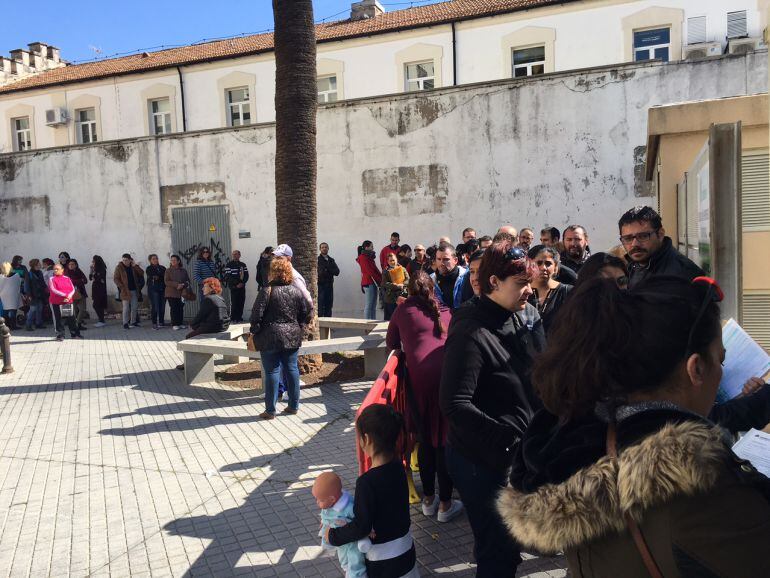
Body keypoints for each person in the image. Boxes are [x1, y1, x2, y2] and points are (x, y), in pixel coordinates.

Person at [499, 276, 770, 577]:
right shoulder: (705, 491)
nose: (722, 371)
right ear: (696, 368)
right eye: (721, 359)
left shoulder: (582, 441)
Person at [440, 242, 545, 578]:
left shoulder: (521, 314)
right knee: (497, 553)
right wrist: (511, 440)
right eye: (521, 283)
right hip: (482, 463)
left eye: (529, 282)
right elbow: (455, 405)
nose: (529, 290)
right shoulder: (470, 329)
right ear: (494, 283)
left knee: (508, 544)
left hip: (515, 456)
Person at [387, 271, 462, 523]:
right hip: (448, 379)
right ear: (434, 289)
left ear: (409, 289)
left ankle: (428, 500)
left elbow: (391, 343)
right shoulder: (446, 311)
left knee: (426, 440)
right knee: (444, 441)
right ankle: (445, 504)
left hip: (419, 381)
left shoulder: (402, 311)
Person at [327, 404, 419, 578]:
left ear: (366, 439)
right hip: (406, 552)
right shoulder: (399, 467)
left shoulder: (367, 482)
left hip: (383, 561)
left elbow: (362, 526)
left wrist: (333, 536)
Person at [249, 258, 311, 420]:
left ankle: (270, 410)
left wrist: (255, 330)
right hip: (291, 336)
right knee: (292, 370)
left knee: (272, 372)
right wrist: (299, 328)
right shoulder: (296, 291)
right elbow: (306, 313)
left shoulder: (266, 290)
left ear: (272, 272)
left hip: (269, 336)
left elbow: (256, 315)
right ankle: (293, 406)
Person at [620, 205, 704, 289]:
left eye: (643, 236)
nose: (634, 244)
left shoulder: (681, 275)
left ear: (660, 235)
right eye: (628, 238)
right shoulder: (633, 265)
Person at [313, 472, 367, 578]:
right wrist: (323, 521)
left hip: (351, 539)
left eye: (321, 500)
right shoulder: (329, 505)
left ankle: (358, 574)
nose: (317, 503)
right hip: (340, 539)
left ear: (332, 499)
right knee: (343, 556)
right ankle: (347, 568)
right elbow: (325, 515)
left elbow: (362, 520)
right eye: (316, 499)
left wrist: (370, 530)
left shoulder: (348, 507)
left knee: (355, 558)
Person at [527, 245, 573, 335]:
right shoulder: (521, 291)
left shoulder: (568, 292)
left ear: (555, 268)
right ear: (529, 265)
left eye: (548, 264)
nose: (543, 267)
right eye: (539, 263)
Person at [272, 244, 313, 310]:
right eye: (275, 257)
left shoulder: (295, 277)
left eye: (279, 258)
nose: (275, 261)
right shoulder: (276, 275)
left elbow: (307, 300)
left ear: (289, 258)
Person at [48, 263, 82, 341]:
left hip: (67, 301)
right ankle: (60, 335)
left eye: (57, 269)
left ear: (62, 270)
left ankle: (74, 334)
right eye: (54, 269)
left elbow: (72, 288)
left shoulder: (67, 278)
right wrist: (65, 295)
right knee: (59, 319)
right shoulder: (52, 279)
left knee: (71, 318)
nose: (55, 270)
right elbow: (53, 289)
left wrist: (69, 296)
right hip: (57, 302)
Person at [431, 243, 468, 311]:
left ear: (455, 260)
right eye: (439, 259)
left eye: (446, 259)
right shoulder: (431, 280)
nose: (442, 263)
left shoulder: (466, 277)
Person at [114, 253, 144, 329]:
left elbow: (141, 273)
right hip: (125, 290)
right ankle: (125, 323)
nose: (124, 261)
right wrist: (121, 287)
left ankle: (133, 322)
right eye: (123, 260)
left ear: (130, 260)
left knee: (134, 307)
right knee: (126, 308)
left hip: (134, 290)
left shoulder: (133, 267)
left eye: (126, 260)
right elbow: (116, 278)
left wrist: (135, 266)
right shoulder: (119, 267)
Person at [356, 241, 382, 320]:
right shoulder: (363, 257)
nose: (373, 248)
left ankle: (372, 323)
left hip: (372, 282)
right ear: (366, 247)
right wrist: (380, 280)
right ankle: (366, 325)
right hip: (369, 282)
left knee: (373, 305)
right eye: (371, 246)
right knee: (369, 305)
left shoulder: (368, 257)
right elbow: (370, 271)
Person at [165, 255, 190, 330]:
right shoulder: (168, 270)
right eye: (171, 260)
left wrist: (183, 284)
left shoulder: (183, 270)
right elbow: (166, 281)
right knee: (174, 308)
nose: (173, 261)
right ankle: (175, 324)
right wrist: (176, 285)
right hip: (171, 293)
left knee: (180, 308)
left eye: (174, 260)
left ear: (178, 261)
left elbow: (188, 281)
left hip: (181, 293)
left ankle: (180, 323)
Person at [224, 250, 249, 322]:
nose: (235, 256)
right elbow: (228, 276)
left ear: (239, 255)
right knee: (234, 302)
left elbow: (246, 275)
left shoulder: (243, 265)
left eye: (236, 254)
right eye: (233, 254)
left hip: (242, 287)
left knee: (241, 302)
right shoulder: (229, 265)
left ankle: (239, 317)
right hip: (234, 287)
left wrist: (242, 283)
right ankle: (233, 318)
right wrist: (237, 284)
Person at [382, 253, 409, 321]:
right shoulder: (385, 271)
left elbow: (408, 279)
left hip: (402, 295)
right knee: (390, 318)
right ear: (388, 261)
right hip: (390, 297)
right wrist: (395, 285)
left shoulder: (403, 269)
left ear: (396, 259)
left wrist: (402, 284)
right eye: (390, 261)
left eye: (394, 260)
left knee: (402, 317)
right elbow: (384, 283)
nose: (392, 262)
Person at [317, 242, 340, 318]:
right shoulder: (318, 260)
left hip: (329, 286)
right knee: (320, 306)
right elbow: (320, 273)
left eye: (326, 247)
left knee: (329, 306)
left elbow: (337, 272)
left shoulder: (331, 260)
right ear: (320, 249)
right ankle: (320, 327)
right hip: (321, 287)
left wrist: (327, 269)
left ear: (328, 248)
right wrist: (329, 271)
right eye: (322, 247)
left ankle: (328, 327)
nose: (324, 248)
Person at [66, 259, 89, 331]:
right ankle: (75, 325)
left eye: (72, 264)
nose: (71, 266)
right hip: (71, 294)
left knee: (83, 309)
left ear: (76, 265)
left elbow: (85, 280)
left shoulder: (79, 271)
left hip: (81, 293)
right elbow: (69, 282)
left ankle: (78, 323)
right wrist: (79, 281)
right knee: (74, 311)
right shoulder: (66, 272)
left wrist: (76, 281)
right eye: (69, 264)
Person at [24, 259, 47, 331]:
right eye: (39, 264)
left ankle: (38, 323)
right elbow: (26, 285)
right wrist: (29, 295)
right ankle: (28, 325)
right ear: (35, 265)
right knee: (32, 310)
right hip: (32, 295)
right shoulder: (29, 273)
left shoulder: (40, 272)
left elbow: (43, 283)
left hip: (40, 294)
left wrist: (46, 289)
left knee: (39, 309)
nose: (40, 265)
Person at [145, 254, 167, 329]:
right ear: (150, 260)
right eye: (153, 259)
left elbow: (164, 276)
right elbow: (153, 276)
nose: (155, 260)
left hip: (163, 289)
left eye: (156, 258)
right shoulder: (149, 268)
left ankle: (161, 322)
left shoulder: (162, 267)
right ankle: (154, 323)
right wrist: (158, 276)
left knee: (162, 306)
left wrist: (159, 276)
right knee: (155, 306)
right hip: (153, 290)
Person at [0, 262, 22, 330]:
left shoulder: (1, 276)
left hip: (3, 295)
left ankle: (6, 325)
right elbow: (19, 284)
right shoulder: (16, 275)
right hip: (13, 295)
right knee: (13, 311)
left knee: (5, 312)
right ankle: (13, 326)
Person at [89, 256, 108, 327]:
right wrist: (91, 270)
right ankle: (101, 320)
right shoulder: (95, 270)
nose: (92, 263)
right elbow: (90, 278)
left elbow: (100, 279)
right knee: (98, 305)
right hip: (95, 289)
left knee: (96, 305)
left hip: (100, 290)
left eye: (93, 261)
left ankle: (101, 320)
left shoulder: (102, 269)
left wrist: (95, 278)